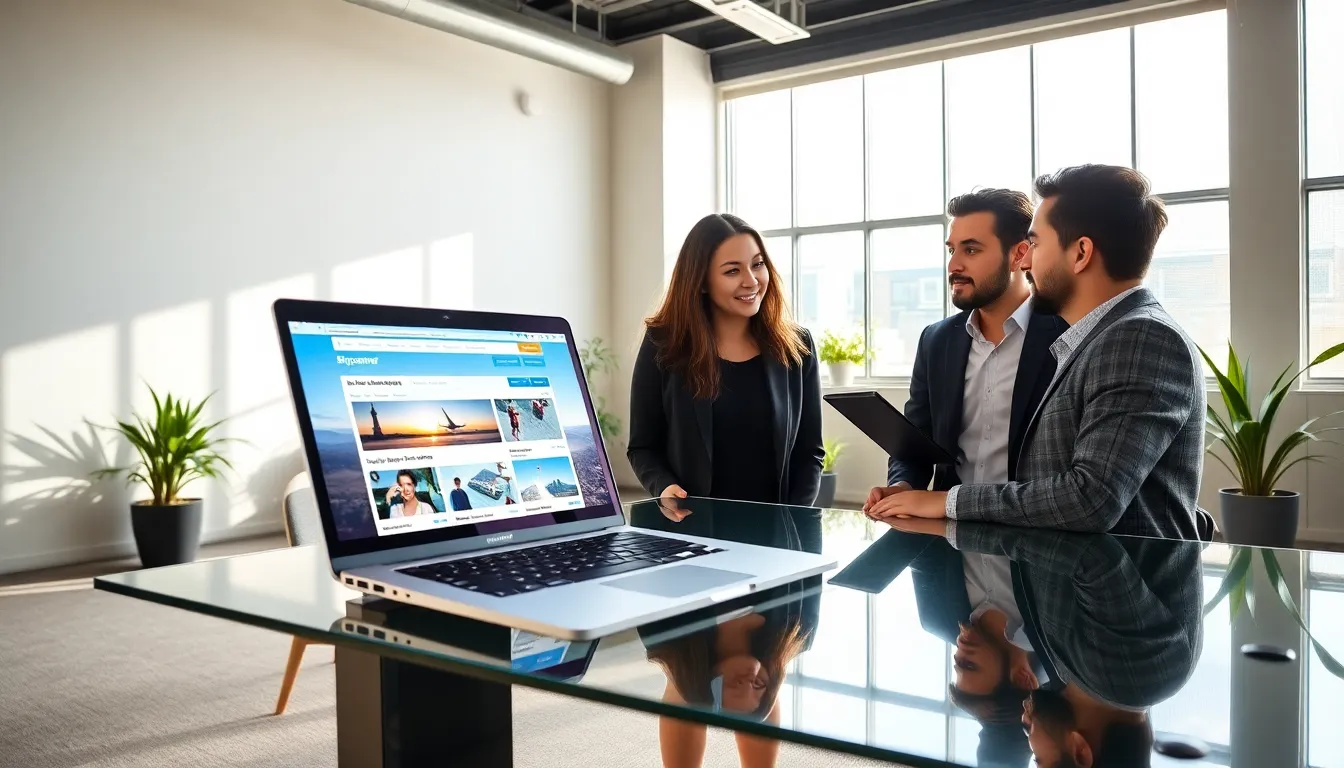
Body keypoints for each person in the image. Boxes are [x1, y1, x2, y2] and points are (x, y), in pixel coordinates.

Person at [868, 165, 1206, 539]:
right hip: (1039, 564)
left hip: (1120, 586)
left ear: (1080, 253)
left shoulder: (1139, 337)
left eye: (1037, 244)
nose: (1027, 262)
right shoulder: (1096, 337)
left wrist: (945, 502)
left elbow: (1090, 498)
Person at [862, 188, 1067, 509]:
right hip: (950, 537)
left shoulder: (1065, 335)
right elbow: (915, 443)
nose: (954, 265)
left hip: (1034, 532)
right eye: (951, 250)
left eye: (971, 250)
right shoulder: (936, 340)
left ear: (1019, 255)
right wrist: (903, 484)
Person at [627, 213, 824, 506]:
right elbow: (643, 447)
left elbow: (809, 453)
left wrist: (795, 519)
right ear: (702, 281)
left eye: (757, 265)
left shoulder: (797, 346)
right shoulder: (663, 344)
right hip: (692, 531)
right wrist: (665, 487)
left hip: (777, 536)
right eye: (732, 271)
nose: (751, 281)